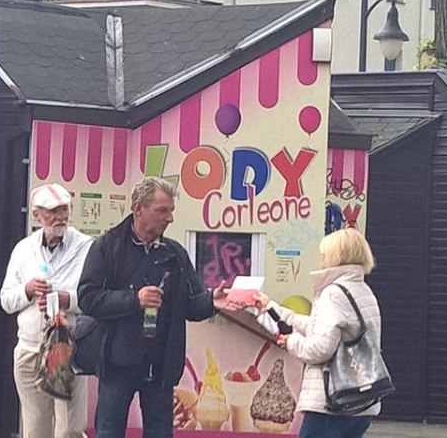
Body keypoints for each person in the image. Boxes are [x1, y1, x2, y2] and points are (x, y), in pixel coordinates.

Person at [78, 176, 243, 438]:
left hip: (161, 364)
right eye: (162, 210)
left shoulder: (174, 253)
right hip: (116, 362)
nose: (170, 218)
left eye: (171, 211)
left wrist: (212, 301)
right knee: (108, 432)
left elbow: (191, 306)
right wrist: (135, 300)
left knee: (160, 433)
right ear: (138, 208)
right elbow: (88, 298)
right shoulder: (107, 246)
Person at [254, 228, 382, 438]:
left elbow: (320, 350)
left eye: (325, 255)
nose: (322, 261)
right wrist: (270, 307)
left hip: (331, 403)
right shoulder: (363, 291)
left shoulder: (333, 294)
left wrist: (292, 342)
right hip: (361, 402)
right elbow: (319, 327)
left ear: (338, 256)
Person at [0, 183, 93, 438]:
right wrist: (28, 290)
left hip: (67, 347)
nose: (60, 216)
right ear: (37, 215)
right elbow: (6, 300)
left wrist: (66, 299)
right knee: (35, 428)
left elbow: (96, 297)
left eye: (64, 209)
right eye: (52, 211)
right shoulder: (24, 249)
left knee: (69, 429)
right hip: (30, 348)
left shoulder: (86, 247)